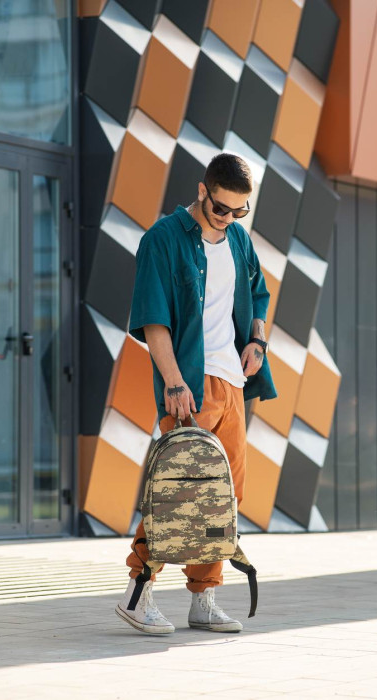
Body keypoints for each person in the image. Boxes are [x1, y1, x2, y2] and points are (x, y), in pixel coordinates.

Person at [114, 153, 277, 635]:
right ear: (202, 191)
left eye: (239, 210)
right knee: (178, 490)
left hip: (233, 384)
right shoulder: (162, 240)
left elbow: (259, 293)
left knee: (224, 495)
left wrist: (257, 340)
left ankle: (204, 597)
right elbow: (153, 318)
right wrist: (173, 380)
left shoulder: (239, 239)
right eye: (221, 208)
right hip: (189, 382)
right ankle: (137, 594)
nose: (228, 218)